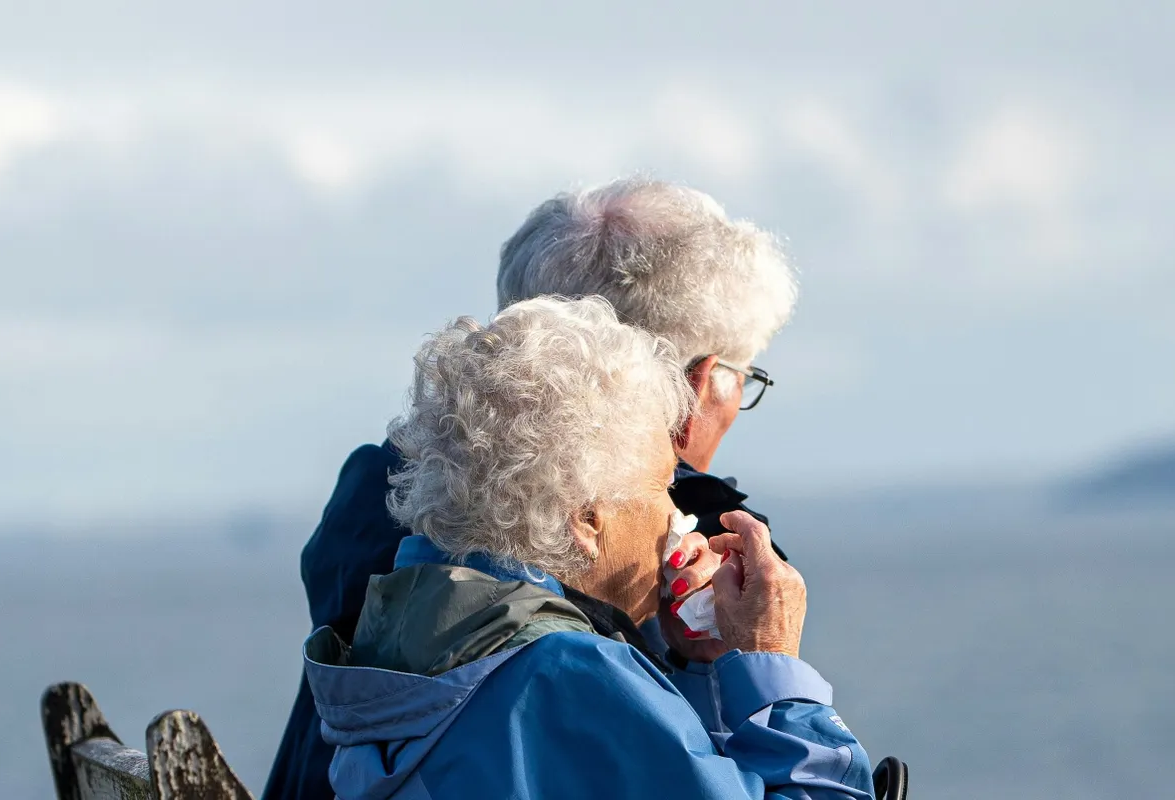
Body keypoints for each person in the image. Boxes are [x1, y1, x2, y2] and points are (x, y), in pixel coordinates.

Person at [263, 179, 799, 800]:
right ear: (698, 384)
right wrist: (753, 670)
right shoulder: (621, 562)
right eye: (744, 376)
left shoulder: (394, 498)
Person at [303, 296, 872, 798]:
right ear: (586, 520)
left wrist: (704, 669)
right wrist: (772, 667)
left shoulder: (409, 636)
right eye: (661, 486)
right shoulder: (567, 674)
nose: (677, 514)